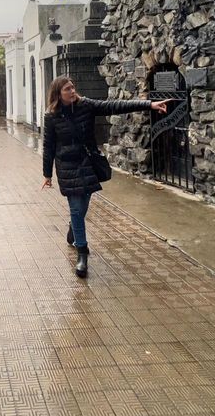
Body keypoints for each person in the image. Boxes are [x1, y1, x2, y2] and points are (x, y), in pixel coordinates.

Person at [42, 76, 168, 278]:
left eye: (73, 87)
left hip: (87, 163)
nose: (73, 91)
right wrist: (47, 174)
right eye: (68, 89)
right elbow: (48, 146)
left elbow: (114, 106)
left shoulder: (86, 105)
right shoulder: (51, 116)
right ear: (58, 94)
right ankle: (82, 253)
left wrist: (149, 104)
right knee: (76, 208)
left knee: (82, 207)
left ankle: (73, 229)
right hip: (67, 166)